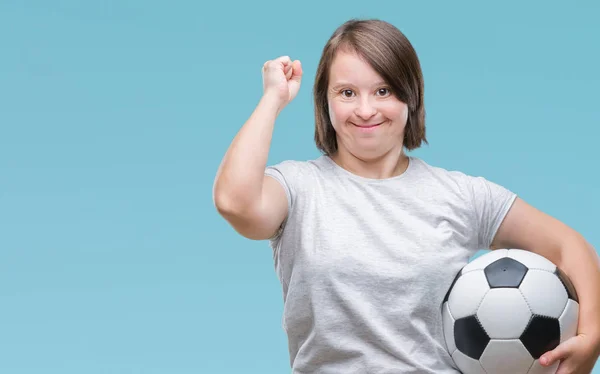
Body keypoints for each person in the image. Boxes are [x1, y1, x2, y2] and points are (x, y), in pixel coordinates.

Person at [213, 18, 600, 373]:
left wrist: (592, 339)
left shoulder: (461, 195)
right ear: (324, 102)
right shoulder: (298, 187)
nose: (365, 110)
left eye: (383, 90)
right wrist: (273, 99)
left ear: (409, 96)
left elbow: (569, 247)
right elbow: (235, 203)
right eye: (347, 92)